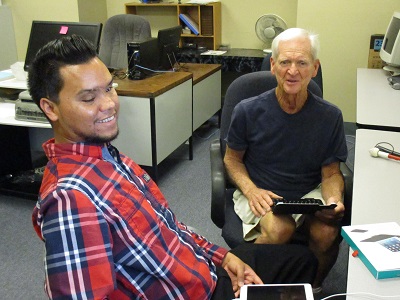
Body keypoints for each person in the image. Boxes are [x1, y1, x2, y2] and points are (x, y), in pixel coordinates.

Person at [28, 35, 317, 299]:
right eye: (89, 98)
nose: (109, 105)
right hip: (196, 293)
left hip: (202, 270)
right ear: (50, 108)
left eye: (109, 89)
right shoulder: (70, 199)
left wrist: (221, 257)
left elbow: (169, 227)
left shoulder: (107, 156)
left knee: (301, 260)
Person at [223, 28, 348, 292]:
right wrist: (250, 190)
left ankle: (311, 288)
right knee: (280, 228)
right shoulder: (247, 110)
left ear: (314, 68)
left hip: (307, 195)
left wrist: (334, 199)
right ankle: (248, 287)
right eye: (285, 62)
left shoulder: (330, 116)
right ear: (273, 65)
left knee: (326, 232)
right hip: (261, 191)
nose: (293, 70)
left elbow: (331, 173)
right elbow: (232, 160)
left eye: (302, 63)